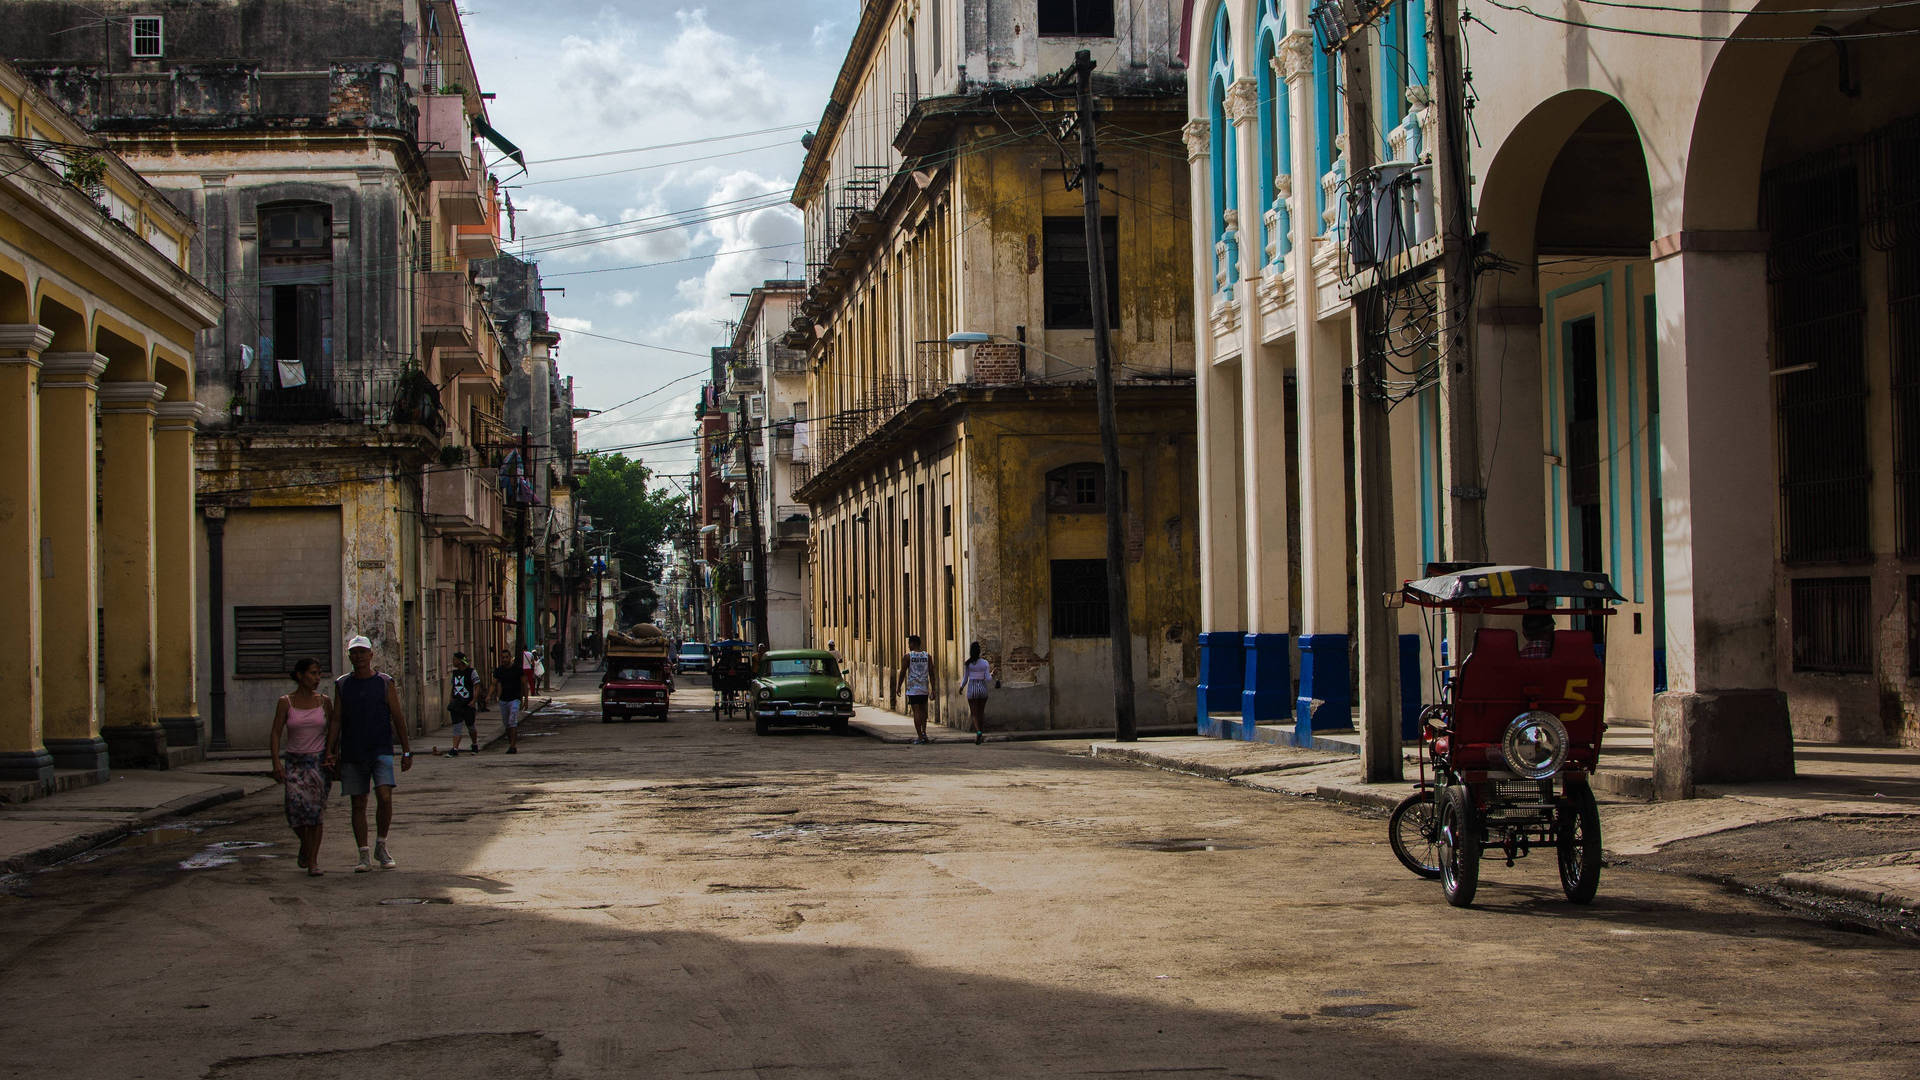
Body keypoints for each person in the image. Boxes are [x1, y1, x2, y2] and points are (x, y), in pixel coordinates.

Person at [328, 635, 413, 873]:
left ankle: (381, 844)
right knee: (358, 802)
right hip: (353, 751)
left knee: (385, 796)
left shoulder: (384, 682)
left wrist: (406, 750)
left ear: (371, 655)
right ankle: (363, 852)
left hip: (381, 749)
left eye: (362, 652)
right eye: (354, 653)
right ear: (349, 657)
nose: (358, 657)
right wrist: (331, 751)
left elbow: (397, 717)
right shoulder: (342, 684)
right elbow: (336, 719)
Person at [269, 658, 336, 877]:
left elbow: (334, 730)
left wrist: (331, 754)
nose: (317, 678)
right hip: (295, 762)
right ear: (300, 675)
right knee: (294, 810)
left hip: (318, 762)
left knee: (315, 813)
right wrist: (276, 762)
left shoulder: (324, 702)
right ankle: (305, 845)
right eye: (313, 673)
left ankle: (313, 861)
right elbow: (276, 732)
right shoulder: (286, 702)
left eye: (319, 674)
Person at [893, 634, 935, 744]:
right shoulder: (927, 656)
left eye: (909, 644)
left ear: (913, 643)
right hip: (924, 688)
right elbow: (932, 673)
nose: (909, 646)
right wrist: (933, 689)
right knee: (923, 711)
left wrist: (899, 686)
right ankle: (924, 732)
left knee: (916, 711)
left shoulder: (908, 656)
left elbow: (903, 672)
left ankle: (920, 736)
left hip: (913, 688)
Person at [447, 651, 481, 756]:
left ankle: (474, 744)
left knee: (470, 726)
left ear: (460, 661)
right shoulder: (455, 673)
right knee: (457, 726)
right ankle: (455, 748)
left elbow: (476, 686)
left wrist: (473, 701)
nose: (453, 661)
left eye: (454, 659)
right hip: (457, 703)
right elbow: (454, 687)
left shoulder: (471, 672)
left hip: (468, 703)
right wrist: (451, 698)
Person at [960, 641, 995, 745]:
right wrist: (992, 673)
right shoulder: (985, 663)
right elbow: (988, 679)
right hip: (983, 689)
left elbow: (965, 678)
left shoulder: (968, 664)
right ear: (979, 651)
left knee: (974, 713)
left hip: (972, 690)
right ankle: (980, 733)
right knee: (981, 713)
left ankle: (978, 732)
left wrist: (961, 687)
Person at [494, 647, 527, 754]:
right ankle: (511, 742)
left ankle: (513, 746)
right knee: (507, 724)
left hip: (515, 699)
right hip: (503, 700)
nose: (504, 660)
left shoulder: (517, 669)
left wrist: (525, 699)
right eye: (503, 658)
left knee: (512, 721)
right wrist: (490, 695)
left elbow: (524, 684)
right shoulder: (499, 670)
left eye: (506, 657)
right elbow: (494, 683)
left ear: (510, 658)